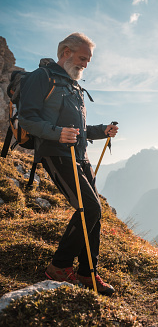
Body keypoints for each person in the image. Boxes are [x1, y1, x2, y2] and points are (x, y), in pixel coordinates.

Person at [18, 33, 118, 296]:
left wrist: (102, 131)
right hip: (57, 154)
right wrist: (55, 132)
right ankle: (59, 267)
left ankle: (87, 272)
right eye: (82, 58)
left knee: (94, 213)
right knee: (90, 209)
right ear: (65, 52)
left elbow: (80, 130)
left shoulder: (74, 85)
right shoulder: (42, 77)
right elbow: (27, 119)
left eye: (88, 60)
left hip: (80, 156)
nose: (86, 64)